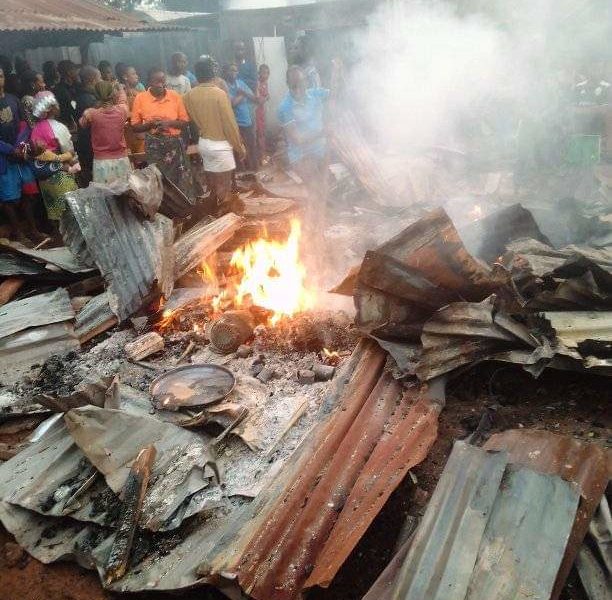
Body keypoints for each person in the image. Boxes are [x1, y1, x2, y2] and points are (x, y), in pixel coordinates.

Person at [184, 57, 245, 210]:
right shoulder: (219, 94)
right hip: (220, 145)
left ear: (197, 75)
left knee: (213, 185)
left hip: (204, 143)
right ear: (213, 74)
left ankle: (214, 215)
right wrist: (239, 146)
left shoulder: (188, 96)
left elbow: (191, 118)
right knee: (224, 188)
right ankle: (225, 220)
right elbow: (229, 124)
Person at [0, 67, 44, 243]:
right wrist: (11, 150)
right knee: (9, 199)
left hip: (21, 156)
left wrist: (22, 147)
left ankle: (33, 230)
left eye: (1, 76)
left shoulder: (13, 99)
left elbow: (23, 126)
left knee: (29, 193)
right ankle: (18, 233)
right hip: (3, 159)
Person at [130, 68, 190, 188]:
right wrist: (150, 125)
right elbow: (135, 126)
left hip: (174, 143)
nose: (160, 84)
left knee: (178, 178)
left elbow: (184, 122)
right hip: (153, 145)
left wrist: (168, 123)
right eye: (156, 81)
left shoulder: (174, 96)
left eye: (163, 81)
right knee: (158, 180)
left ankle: (180, 205)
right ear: (149, 82)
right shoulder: (141, 98)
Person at [30, 92, 79, 223]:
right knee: (71, 214)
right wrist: (73, 163)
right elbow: (70, 152)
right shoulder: (58, 127)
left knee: (55, 214)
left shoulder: (35, 129)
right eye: (56, 103)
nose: (59, 106)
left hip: (45, 179)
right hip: (61, 175)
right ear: (51, 108)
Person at [79, 81, 130, 185]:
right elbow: (123, 100)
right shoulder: (122, 111)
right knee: (124, 194)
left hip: (102, 162)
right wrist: (120, 89)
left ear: (96, 95)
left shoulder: (91, 113)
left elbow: (81, 124)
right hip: (122, 160)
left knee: (106, 196)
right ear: (112, 94)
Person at [224, 63, 259, 171]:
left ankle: (254, 170)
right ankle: (242, 173)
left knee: (251, 146)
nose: (234, 73)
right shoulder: (224, 86)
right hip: (235, 123)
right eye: (231, 70)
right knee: (238, 149)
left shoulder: (241, 83)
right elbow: (232, 103)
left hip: (247, 120)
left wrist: (243, 93)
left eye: (236, 70)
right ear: (226, 72)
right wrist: (242, 95)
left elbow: (255, 98)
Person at [75, 66, 101, 186]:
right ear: (92, 80)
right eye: (99, 78)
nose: (101, 81)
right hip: (90, 145)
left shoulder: (84, 96)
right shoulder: (87, 99)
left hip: (89, 144)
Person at [120, 65, 145, 157]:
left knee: (142, 160)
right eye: (133, 74)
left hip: (139, 133)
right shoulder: (120, 94)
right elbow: (124, 114)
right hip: (127, 134)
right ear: (125, 77)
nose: (137, 76)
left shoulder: (140, 92)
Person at [54, 60, 79, 129]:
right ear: (69, 73)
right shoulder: (61, 90)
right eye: (75, 70)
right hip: (69, 125)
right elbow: (72, 106)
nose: (77, 73)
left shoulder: (76, 85)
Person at [256, 64, 270, 164]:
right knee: (260, 134)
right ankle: (262, 158)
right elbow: (259, 100)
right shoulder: (257, 83)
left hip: (262, 111)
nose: (265, 75)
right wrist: (266, 97)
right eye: (263, 72)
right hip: (256, 111)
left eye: (267, 73)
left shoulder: (265, 83)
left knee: (263, 134)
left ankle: (263, 155)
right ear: (259, 73)